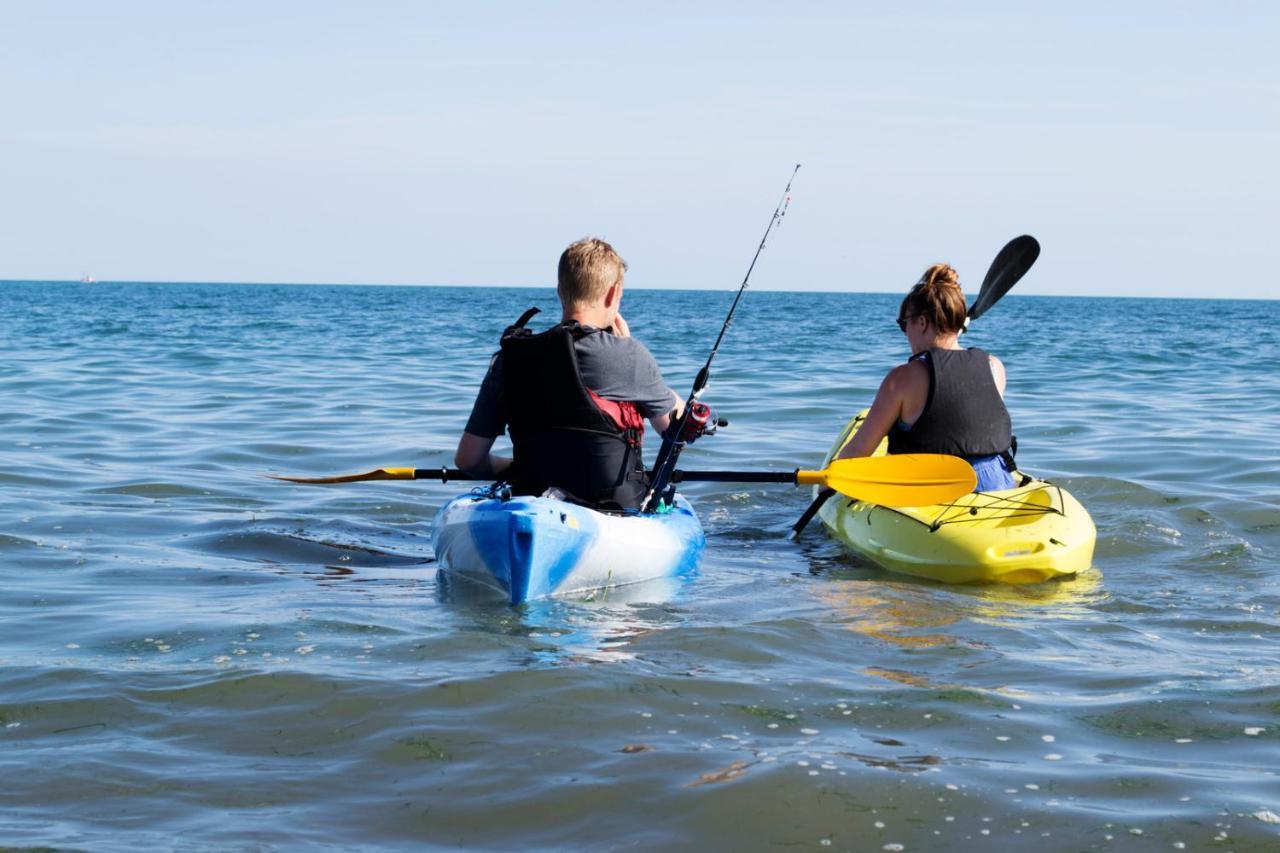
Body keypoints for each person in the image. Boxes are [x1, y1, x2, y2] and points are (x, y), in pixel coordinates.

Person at [454, 237, 684, 509]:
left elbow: (469, 460)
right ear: (613, 294)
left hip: (532, 499)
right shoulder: (630, 355)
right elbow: (678, 428)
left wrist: (515, 468)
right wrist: (631, 357)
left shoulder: (509, 359)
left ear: (559, 291)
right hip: (615, 510)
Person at [837, 262, 1018, 492]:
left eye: (904, 325)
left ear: (921, 322)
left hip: (928, 486)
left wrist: (827, 487)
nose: (905, 334)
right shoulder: (994, 367)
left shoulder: (903, 378)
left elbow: (859, 451)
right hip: (996, 483)